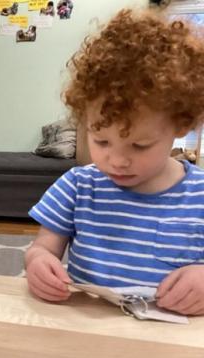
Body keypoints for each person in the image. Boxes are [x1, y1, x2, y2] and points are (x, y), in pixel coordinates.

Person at [25, 9, 204, 315]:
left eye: (139, 145)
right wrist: (39, 263)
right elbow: (42, 249)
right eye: (102, 141)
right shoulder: (77, 186)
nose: (117, 160)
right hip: (86, 335)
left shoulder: (199, 196)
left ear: (180, 125)